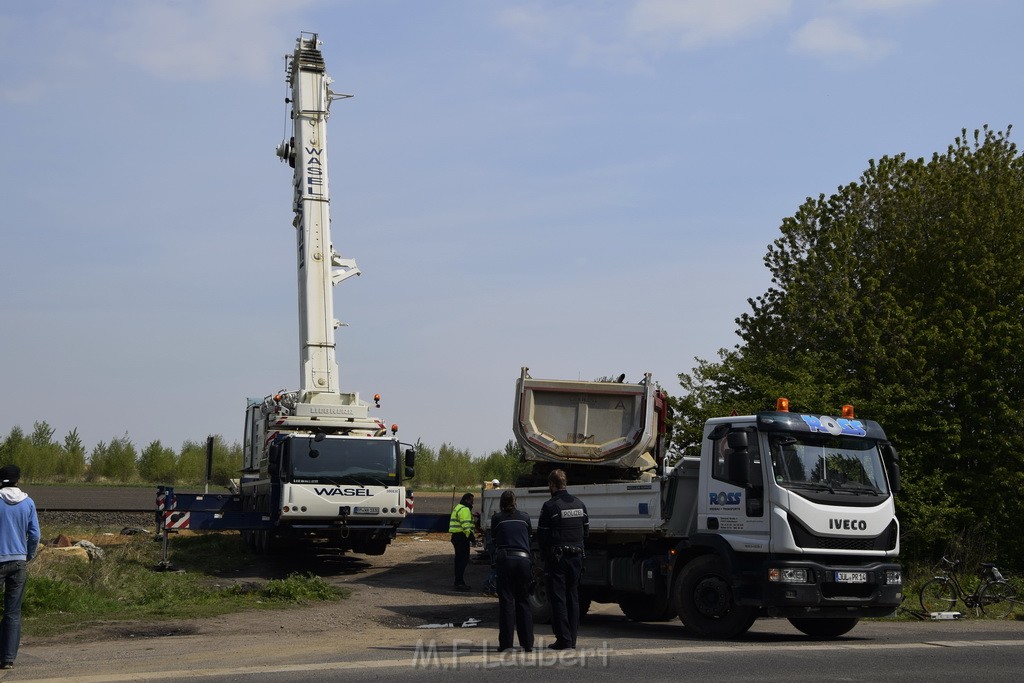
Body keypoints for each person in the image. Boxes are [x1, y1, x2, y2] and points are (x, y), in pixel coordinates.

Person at [536, 469, 588, 650]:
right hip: (576, 556)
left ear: (552, 484)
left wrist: (545, 555)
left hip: (557, 559)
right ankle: (571, 639)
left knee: (558, 599)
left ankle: (563, 639)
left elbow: (541, 536)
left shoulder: (550, 506)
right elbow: (586, 531)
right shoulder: (580, 504)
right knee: (573, 597)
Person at [0, 465, 40, 671]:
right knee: (13, 612)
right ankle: (7, 658)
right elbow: (35, 535)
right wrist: (28, 555)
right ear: (18, 480)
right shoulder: (28, 502)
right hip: (18, 562)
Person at [490, 490, 534, 652]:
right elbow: (529, 538)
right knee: (523, 601)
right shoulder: (525, 517)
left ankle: (506, 644)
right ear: (515, 502)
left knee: (507, 602)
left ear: (501, 504)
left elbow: (494, 541)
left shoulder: (497, 519)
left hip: (506, 561)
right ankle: (527, 643)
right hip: (524, 561)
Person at [449, 492, 475, 591]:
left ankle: (459, 581)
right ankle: (459, 582)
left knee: (459, 560)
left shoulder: (458, 507)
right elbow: (466, 525)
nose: (473, 503)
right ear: (467, 500)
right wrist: (471, 536)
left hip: (456, 537)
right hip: (461, 537)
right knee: (463, 560)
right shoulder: (464, 509)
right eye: (472, 501)